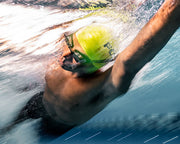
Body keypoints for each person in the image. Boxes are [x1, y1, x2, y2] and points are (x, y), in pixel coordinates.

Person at [1, 0, 180, 136]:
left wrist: (172, 9)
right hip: (40, 101)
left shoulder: (103, 87)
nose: (65, 56)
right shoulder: (66, 46)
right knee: (9, 127)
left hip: (60, 123)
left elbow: (130, 60)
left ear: (94, 66)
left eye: (77, 57)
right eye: (70, 45)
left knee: (38, 136)